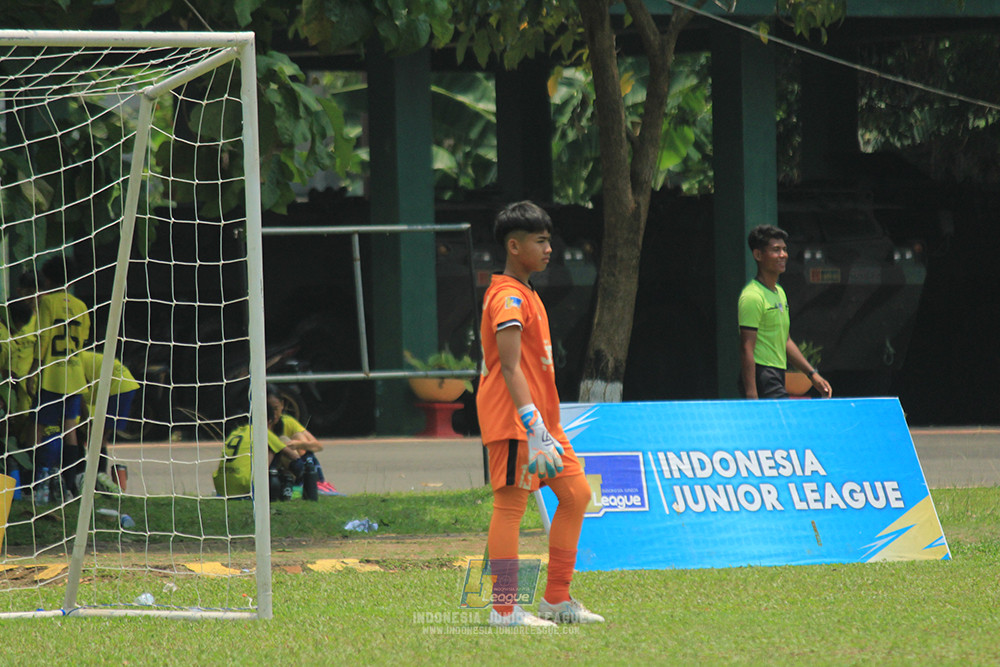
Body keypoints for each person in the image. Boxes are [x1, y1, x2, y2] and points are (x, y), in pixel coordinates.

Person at [476, 201, 604, 628]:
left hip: (542, 426)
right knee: (510, 506)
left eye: (549, 239)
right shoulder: (508, 296)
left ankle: (555, 600)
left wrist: (545, 428)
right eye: (541, 241)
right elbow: (509, 367)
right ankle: (504, 609)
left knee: (576, 495)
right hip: (516, 422)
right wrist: (533, 426)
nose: (550, 248)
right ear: (514, 246)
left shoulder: (528, 292)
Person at [20, 259, 91, 502]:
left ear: (47, 280)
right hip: (74, 373)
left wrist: (33, 369)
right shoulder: (81, 305)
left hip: (52, 375)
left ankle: (36, 483)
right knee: (70, 428)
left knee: (36, 425)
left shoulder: (46, 302)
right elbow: (82, 340)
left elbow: (44, 336)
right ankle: (70, 483)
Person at [738, 224, 833, 400]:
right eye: (776, 250)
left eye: (784, 249)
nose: (783, 255)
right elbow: (747, 348)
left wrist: (812, 375)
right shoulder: (752, 296)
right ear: (758, 255)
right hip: (762, 375)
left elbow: (786, 340)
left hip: (777, 375)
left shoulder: (779, 292)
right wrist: (752, 395)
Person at [75, 350, 140, 492]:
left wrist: (86, 420)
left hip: (118, 386)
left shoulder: (73, 361)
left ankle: (96, 477)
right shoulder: (81, 357)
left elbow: (79, 392)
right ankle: (98, 476)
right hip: (123, 384)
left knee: (99, 436)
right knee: (100, 436)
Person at [213, 399, 301, 498]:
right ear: (269, 421)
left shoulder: (236, 432)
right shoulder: (261, 430)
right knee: (274, 448)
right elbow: (294, 456)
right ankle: (294, 486)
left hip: (221, 488)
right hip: (244, 487)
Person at [267, 387, 339, 495]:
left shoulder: (287, 421)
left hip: (290, 466)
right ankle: (308, 478)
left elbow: (318, 446)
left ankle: (312, 478)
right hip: (271, 467)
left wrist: (298, 444)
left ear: (282, 405)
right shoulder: (260, 426)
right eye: (270, 409)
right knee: (282, 441)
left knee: (299, 437)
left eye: (276, 408)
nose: (274, 414)